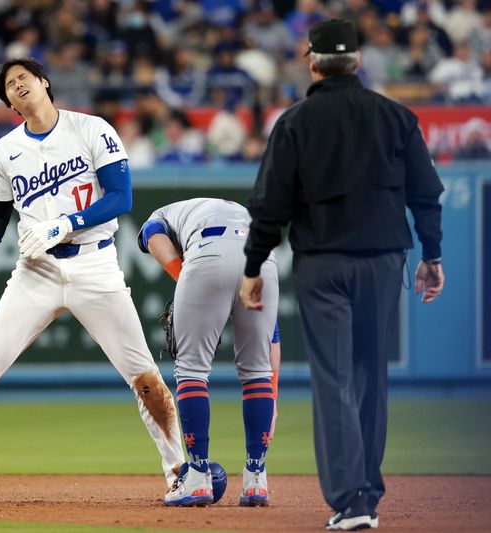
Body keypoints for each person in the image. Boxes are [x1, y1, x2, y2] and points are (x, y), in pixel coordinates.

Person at [0, 57, 185, 504]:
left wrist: (65, 223)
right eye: (9, 86)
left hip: (94, 265)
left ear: (44, 82)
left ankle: (179, 472)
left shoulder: (91, 129)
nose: (17, 86)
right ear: (9, 104)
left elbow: (121, 196)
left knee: (146, 378)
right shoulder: (5, 150)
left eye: (24, 78)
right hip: (35, 272)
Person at [239, 19, 445, 531]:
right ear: (357, 60)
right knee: (370, 374)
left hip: (324, 263)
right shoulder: (397, 117)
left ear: (312, 62)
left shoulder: (294, 121)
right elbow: (426, 193)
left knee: (333, 378)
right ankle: (367, 498)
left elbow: (269, 205)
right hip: (382, 261)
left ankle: (350, 501)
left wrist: (252, 267)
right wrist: (433, 255)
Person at [137, 198, 281, 507]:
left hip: (208, 252)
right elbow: (274, 336)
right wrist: (274, 396)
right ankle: (257, 479)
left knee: (191, 371)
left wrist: (184, 280)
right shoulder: (234, 210)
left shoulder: (163, 213)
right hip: (262, 257)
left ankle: (198, 475)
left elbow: (152, 232)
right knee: (257, 372)